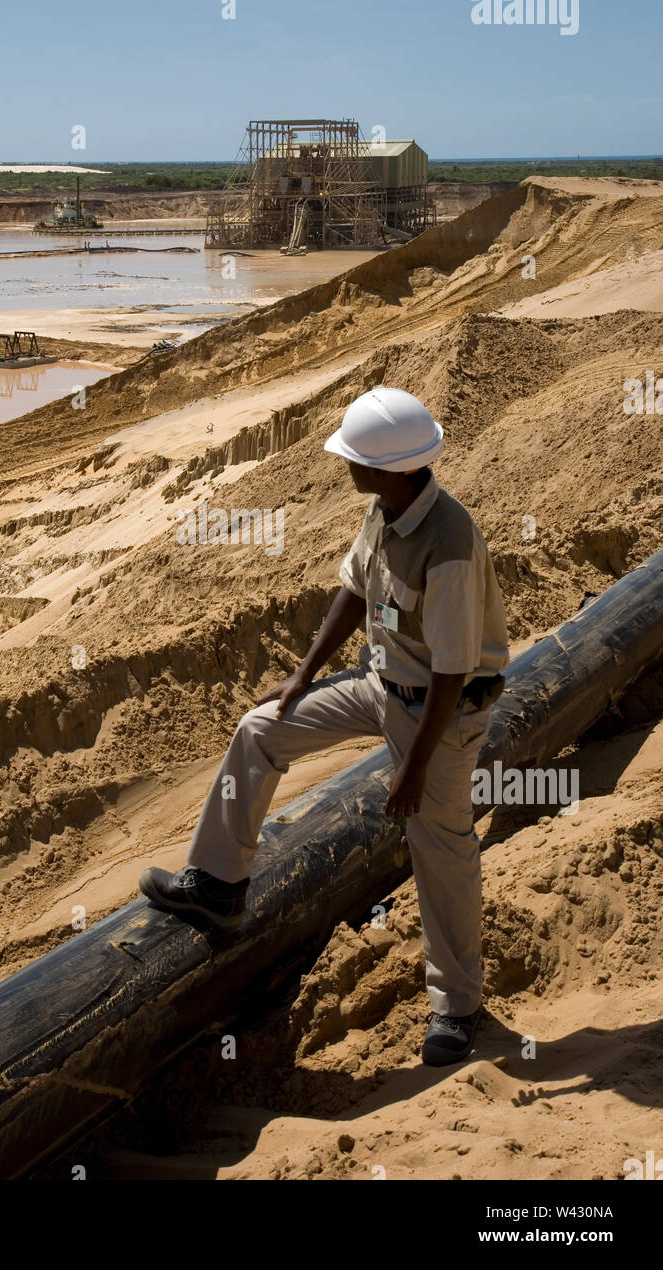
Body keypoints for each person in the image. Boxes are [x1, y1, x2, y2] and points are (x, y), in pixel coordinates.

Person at [140, 387, 509, 1065]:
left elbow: (453, 671)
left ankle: (458, 1007)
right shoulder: (387, 509)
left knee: (441, 850)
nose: (347, 466)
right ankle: (220, 886)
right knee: (259, 729)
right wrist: (305, 675)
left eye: (357, 457)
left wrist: (415, 766)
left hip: (440, 713)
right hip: (381, 684)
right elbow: (356, 591)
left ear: (396, 467)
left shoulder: (450, 544)